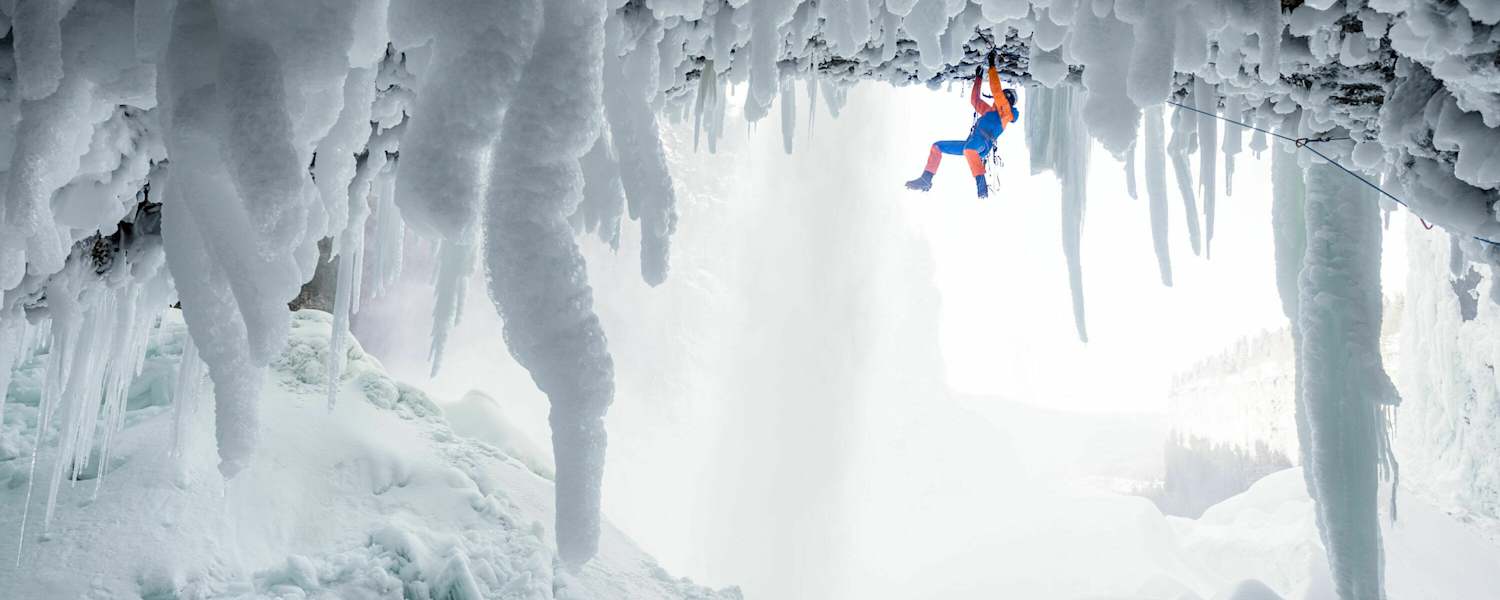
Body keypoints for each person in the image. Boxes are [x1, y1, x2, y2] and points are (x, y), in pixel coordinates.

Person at [905, 53, 1020, 199]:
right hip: (971, 144)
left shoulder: (1006, 114)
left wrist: (992, 66)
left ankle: (982, 186)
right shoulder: (990, 111)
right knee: (937, 146)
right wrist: (978, 79)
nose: (999, 98)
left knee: (969, 149)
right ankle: (926, 179)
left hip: (981, 146)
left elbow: (996, 92)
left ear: (1007, 99)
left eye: (1003, 97)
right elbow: (975, 101)